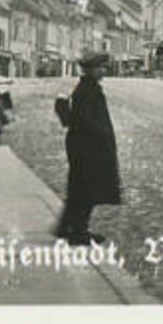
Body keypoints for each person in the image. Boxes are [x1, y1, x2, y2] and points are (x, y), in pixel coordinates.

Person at [55, 50, 121, 245]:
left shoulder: (87, 88)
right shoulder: (87, 91)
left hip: (83, 145)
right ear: (91, 69)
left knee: (79, 187)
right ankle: (79, 231)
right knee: (86, 189)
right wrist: (103, 138)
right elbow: (85, 121)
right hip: (87, 147)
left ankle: (67, 226)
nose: (103, 71)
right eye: (100, 68)